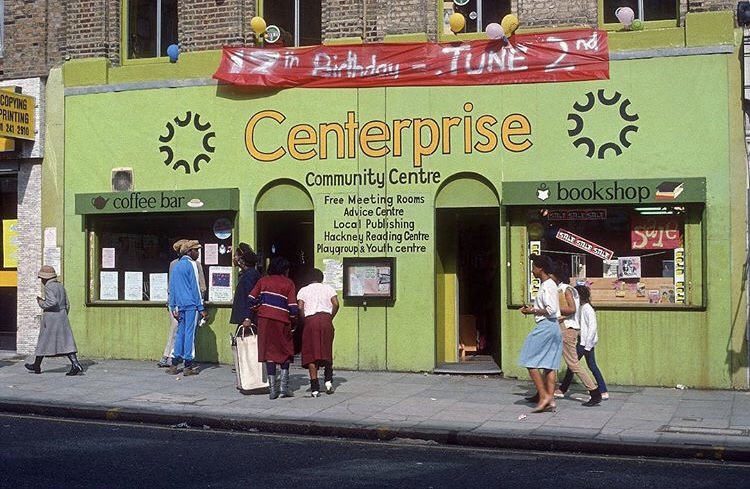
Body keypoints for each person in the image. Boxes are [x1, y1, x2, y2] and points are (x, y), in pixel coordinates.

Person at [248, 256, 298, 399]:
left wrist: (260, 309)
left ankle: (272, 390)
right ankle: (283, 387)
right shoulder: (288, 284)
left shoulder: (263, 281)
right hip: (282, 321)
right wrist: (293, 322)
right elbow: (293, 307)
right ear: (285, 269)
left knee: (269, 352)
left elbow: (251, 299)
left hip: (264, 321)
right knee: (285, 350)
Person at [552, 264, 602, 407]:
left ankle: (594, 391)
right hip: (567, 329)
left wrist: (552, 309)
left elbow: (570, 310)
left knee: (573, 364)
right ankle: (545, 392)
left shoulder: (563, 290)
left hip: (566, 329)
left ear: (555, 276)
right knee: (550, 361)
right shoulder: (571, 289)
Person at [519, 254, 562, 413]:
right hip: (552, 327)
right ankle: (550, 400)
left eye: (534, 267)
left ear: (540, 268)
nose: (532, 270)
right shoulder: (549, 284)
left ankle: (543, 396)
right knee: (549, 365)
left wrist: (532, 310)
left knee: (529, 359)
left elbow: (550, 310)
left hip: (546, 326)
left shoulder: (547, 285)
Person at [25, 265, 83, 376]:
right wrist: (63, 315)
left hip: (51, 317)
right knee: (66, 341)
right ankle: (75, 364)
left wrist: (41, 302)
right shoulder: (60, 286)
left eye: (42, 278)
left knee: (43, 341)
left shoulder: (49, 287)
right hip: (62, 316)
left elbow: (52, 302)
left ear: (45, 278)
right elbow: (67, 304)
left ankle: (37, 365)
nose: (41, 280)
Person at [157, 238, 206, 368]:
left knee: (179, 333)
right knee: (189, 334)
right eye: (196, 250)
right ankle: (188, 363)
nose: (198, 253)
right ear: (189, 251)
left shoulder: (176, 265)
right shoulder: (193, 265)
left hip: (178, 304)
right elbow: (197, 287)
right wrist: (201, 307)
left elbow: (171, 287)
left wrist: (172, 305)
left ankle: (174, 361)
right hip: (191, 304)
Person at [558, 285, 609, 400]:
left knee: (573, 365)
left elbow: (592, 327)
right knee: (591, 366)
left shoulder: (587, 308)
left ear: (580, 297)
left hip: (585, 343)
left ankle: (563, 389)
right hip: (584, 342)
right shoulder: (582, 308)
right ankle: (603, 390)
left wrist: (587, 345)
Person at [297, 268, 339, 397]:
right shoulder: (329, 289)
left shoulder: (303, 290)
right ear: (322, 278)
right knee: (326, 349)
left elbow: (300, 307)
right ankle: (328, 381)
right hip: (326, 320)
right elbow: (336, 303)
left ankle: (315, 388)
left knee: (311, 353)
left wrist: (305, 319)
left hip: (311, 321)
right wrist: (330, 316)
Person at [230, 243, 261, 331]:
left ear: (242, 260)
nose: (234, 258)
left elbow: (251, 297)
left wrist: (248, 317)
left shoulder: (250, 275)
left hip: (248, 319)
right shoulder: (246, 274)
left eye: (235, 256)